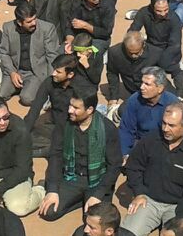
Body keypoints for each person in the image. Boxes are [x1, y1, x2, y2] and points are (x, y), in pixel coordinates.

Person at [121, 102, 183, 236]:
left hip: (178, 205)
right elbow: (133, 167)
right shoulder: (150, 140)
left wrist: (182, 216)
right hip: (148, 200)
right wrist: (139, 192)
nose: (165, 129)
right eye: (164, 123)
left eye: (171, 125)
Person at [40, 88, 122, 222]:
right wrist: (52, 190)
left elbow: (114, 166)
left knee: (96, 220)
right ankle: (80, 200)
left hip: (97, 180)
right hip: (72, 177)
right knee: (48, 212)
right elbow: (55, 155)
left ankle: (87, 199)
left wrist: (98, 194)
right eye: (70, 105)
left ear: (89, 110)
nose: (70, 110)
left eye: (76, 108)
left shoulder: (107, 128)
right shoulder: (64, 123)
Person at [0, 1, 63, 106]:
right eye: (29, 22)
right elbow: (4, 53)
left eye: (35, 19)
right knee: (2, 94)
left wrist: (49, 82)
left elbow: (52, 56)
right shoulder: (8, 28)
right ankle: (23, 87)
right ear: (19, 23)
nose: (34, 23)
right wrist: (12, 73)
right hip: (16, 70)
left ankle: (29, 89)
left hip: (35, 72)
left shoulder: (47, 29)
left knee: (26, 99)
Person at [117, 66, 180, 159]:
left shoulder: (172, 103)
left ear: (160, 88)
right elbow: (126, 129)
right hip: (141, 143)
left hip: (164, 145)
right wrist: (124, 154)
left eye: (147, 84)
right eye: (142, 82)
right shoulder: (134, 100)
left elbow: (177, 135)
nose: (142, 87)